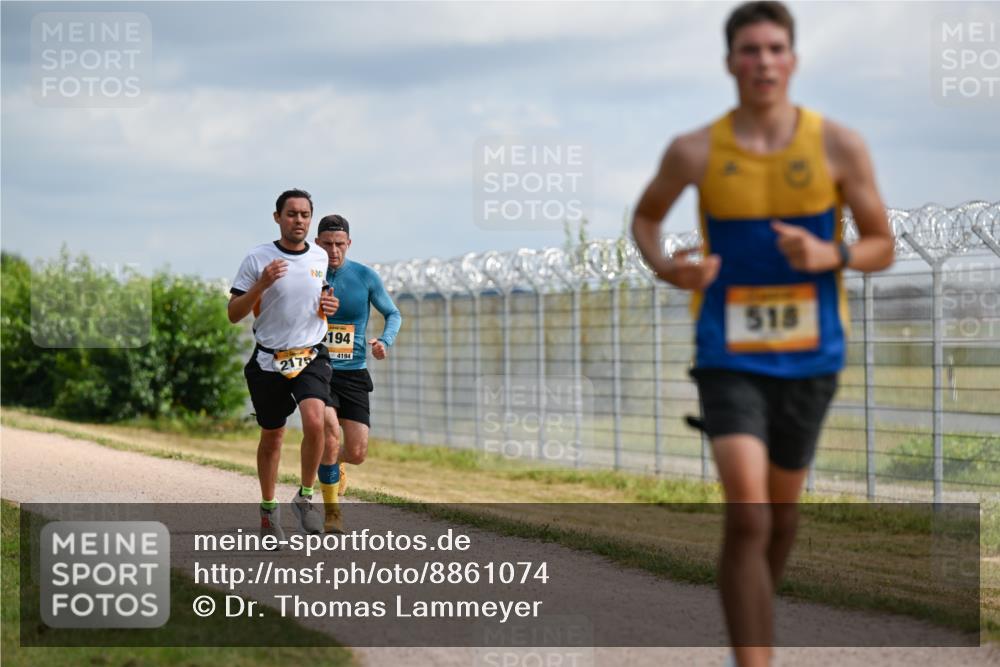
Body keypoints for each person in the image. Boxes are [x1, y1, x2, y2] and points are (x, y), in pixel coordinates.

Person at [630, 3, 894, 665]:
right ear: (730, 63)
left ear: (793, 60)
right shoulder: (695, 149)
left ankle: (750, 630)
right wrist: (670, 269)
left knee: (781, 519)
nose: (764, 61)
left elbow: (882, 245)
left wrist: (831, 254)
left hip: (812, 355)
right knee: (748, 515)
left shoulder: (838, 144)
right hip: (728, 353)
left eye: (776, 48)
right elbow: (646, 219)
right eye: (750, 50)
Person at [229, 188, 339, 542]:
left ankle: (306, 499)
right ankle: (268, 508)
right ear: (277, 218)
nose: (299, 221)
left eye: (305, 215)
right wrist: (262, 283)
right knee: (273, 436)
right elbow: (234, 314)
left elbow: (317, 298)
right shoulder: (257, 257)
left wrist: (327, 306)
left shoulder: (320, 257)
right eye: (291, 214)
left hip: (310, 354)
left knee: (315, 420)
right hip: (269, 359)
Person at [314, 214, 402, 533]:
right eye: (327, 245)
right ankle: (332, 511)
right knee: (329, 434)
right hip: (318, 370)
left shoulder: (365, 276)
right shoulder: (309, 274)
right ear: (317, 244)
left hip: (353, 372)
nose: (333, 251)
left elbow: (393, 313)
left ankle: (331, 465)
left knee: (357, 452)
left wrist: (384, 341)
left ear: (348, 244)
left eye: (339, 244)